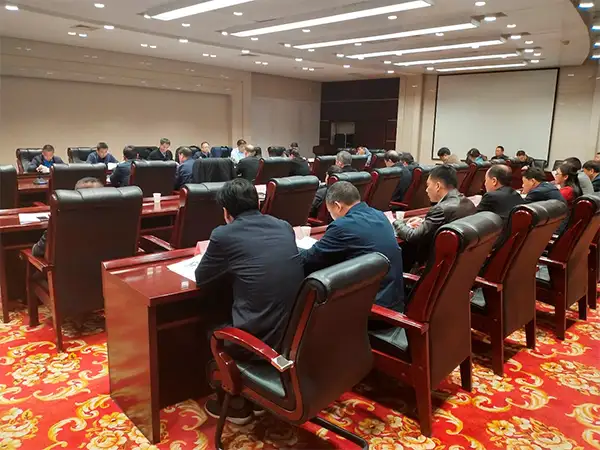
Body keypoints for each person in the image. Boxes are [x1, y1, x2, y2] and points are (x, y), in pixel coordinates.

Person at [196, 179, 304, 423]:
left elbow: (202, 278)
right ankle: (257, 397)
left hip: (256, 342)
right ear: (258, 203)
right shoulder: (283, 226)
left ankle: (234, 403)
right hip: (290, 337)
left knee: (210, 324)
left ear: (226, 212)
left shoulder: (223, 234)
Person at [301, 181, 405, 312]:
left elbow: (310, 259)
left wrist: (290, 247)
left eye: (330, 211)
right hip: (394, 301)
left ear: (337, 206)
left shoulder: (342, 226)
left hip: (373, 309)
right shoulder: (379, 215)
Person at [394, 165, 476, 269]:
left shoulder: (440, 209)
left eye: (428, 185)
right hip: (459, 266)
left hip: (435, 267)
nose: (426, 190)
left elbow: (412, 236)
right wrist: (425, 221)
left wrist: (398, 222)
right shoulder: (468, 203)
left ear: (437, 186)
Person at [32, 177, 104, 257]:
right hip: (107, 264)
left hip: (70, 264)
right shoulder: (113, 220)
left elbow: (37, 251)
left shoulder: (61, 220)